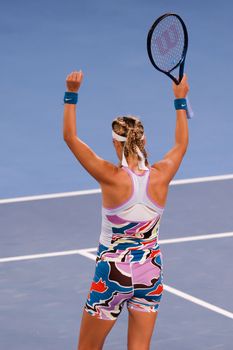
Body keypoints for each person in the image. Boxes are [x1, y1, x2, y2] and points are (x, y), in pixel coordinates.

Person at [63, 70, 189, 350]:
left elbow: (70, 137)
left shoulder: (110, 176)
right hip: (150, 273)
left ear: (114, 143)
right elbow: (181, 145)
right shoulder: (162, 175)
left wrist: (71, 93)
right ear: (143, 141)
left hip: (112, 275)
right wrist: (180, 99)